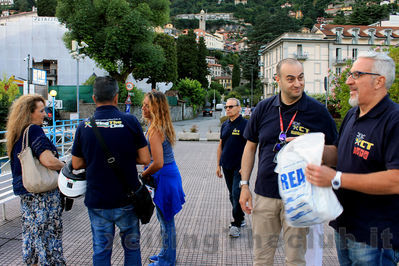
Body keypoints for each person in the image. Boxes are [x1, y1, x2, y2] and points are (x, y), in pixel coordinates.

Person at [239, 58, 338, 265]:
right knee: (261, 259)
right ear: (278, 80)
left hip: (299, 196)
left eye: (301, 78)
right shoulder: (263, 109)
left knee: (295, 259)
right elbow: (250, 147)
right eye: (290, 79)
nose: (297, 84)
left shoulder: (318, 111)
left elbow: (336, 152)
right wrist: (244, 185)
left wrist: (311, 147)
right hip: (266, 194)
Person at [306, 51, 399, 265]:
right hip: (345, 225)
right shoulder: (353, 113)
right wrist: (310, 148)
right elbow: (341, 153)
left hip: (376, 235)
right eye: (350, 74)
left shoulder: (394, 120)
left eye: (356, 75)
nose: (348, 81)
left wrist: (336, 178)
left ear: (379, 81)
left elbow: (396, 179)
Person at [71, 76, 151, 266]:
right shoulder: (130, 121)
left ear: (93, 98)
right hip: (127, 198)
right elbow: (145, 159)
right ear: (116, 97)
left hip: (98, 200)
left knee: (101, 249)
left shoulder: (85, 126)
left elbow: (75, 164)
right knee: (131, 248)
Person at [6, 94, 66, 265]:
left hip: (26, 193)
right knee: (49, 236)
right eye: (41, 111)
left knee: (31, 235)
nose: (45, 114)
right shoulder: (34, 130)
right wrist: (65, 166)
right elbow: (47, 160)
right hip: (43, 194)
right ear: (29, 113)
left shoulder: (16, 133)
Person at [141, 91, 185, 266]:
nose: (143, 108)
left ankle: (167, 260)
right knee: (163, 219)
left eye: (147, 105)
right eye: (143, 104)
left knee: (166, 221)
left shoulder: (155, 130)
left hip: (163, 177)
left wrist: (143, 174)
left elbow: (158, 162)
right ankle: (165, 253)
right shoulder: (158, 126)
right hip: (166, 175)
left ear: (156, 108)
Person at [216, 98, 247, 238]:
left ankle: (236, 224)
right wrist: (218, 165)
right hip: (226, 166)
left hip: (239, 167)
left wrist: (245, 167)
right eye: (226, 107)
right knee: (231, 194)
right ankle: (241, 217)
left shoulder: (246, 124)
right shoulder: (225, 125)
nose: (228, 109)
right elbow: (220, 145)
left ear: (239, 108)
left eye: (231, 106)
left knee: (236, 194)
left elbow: (250, 148)